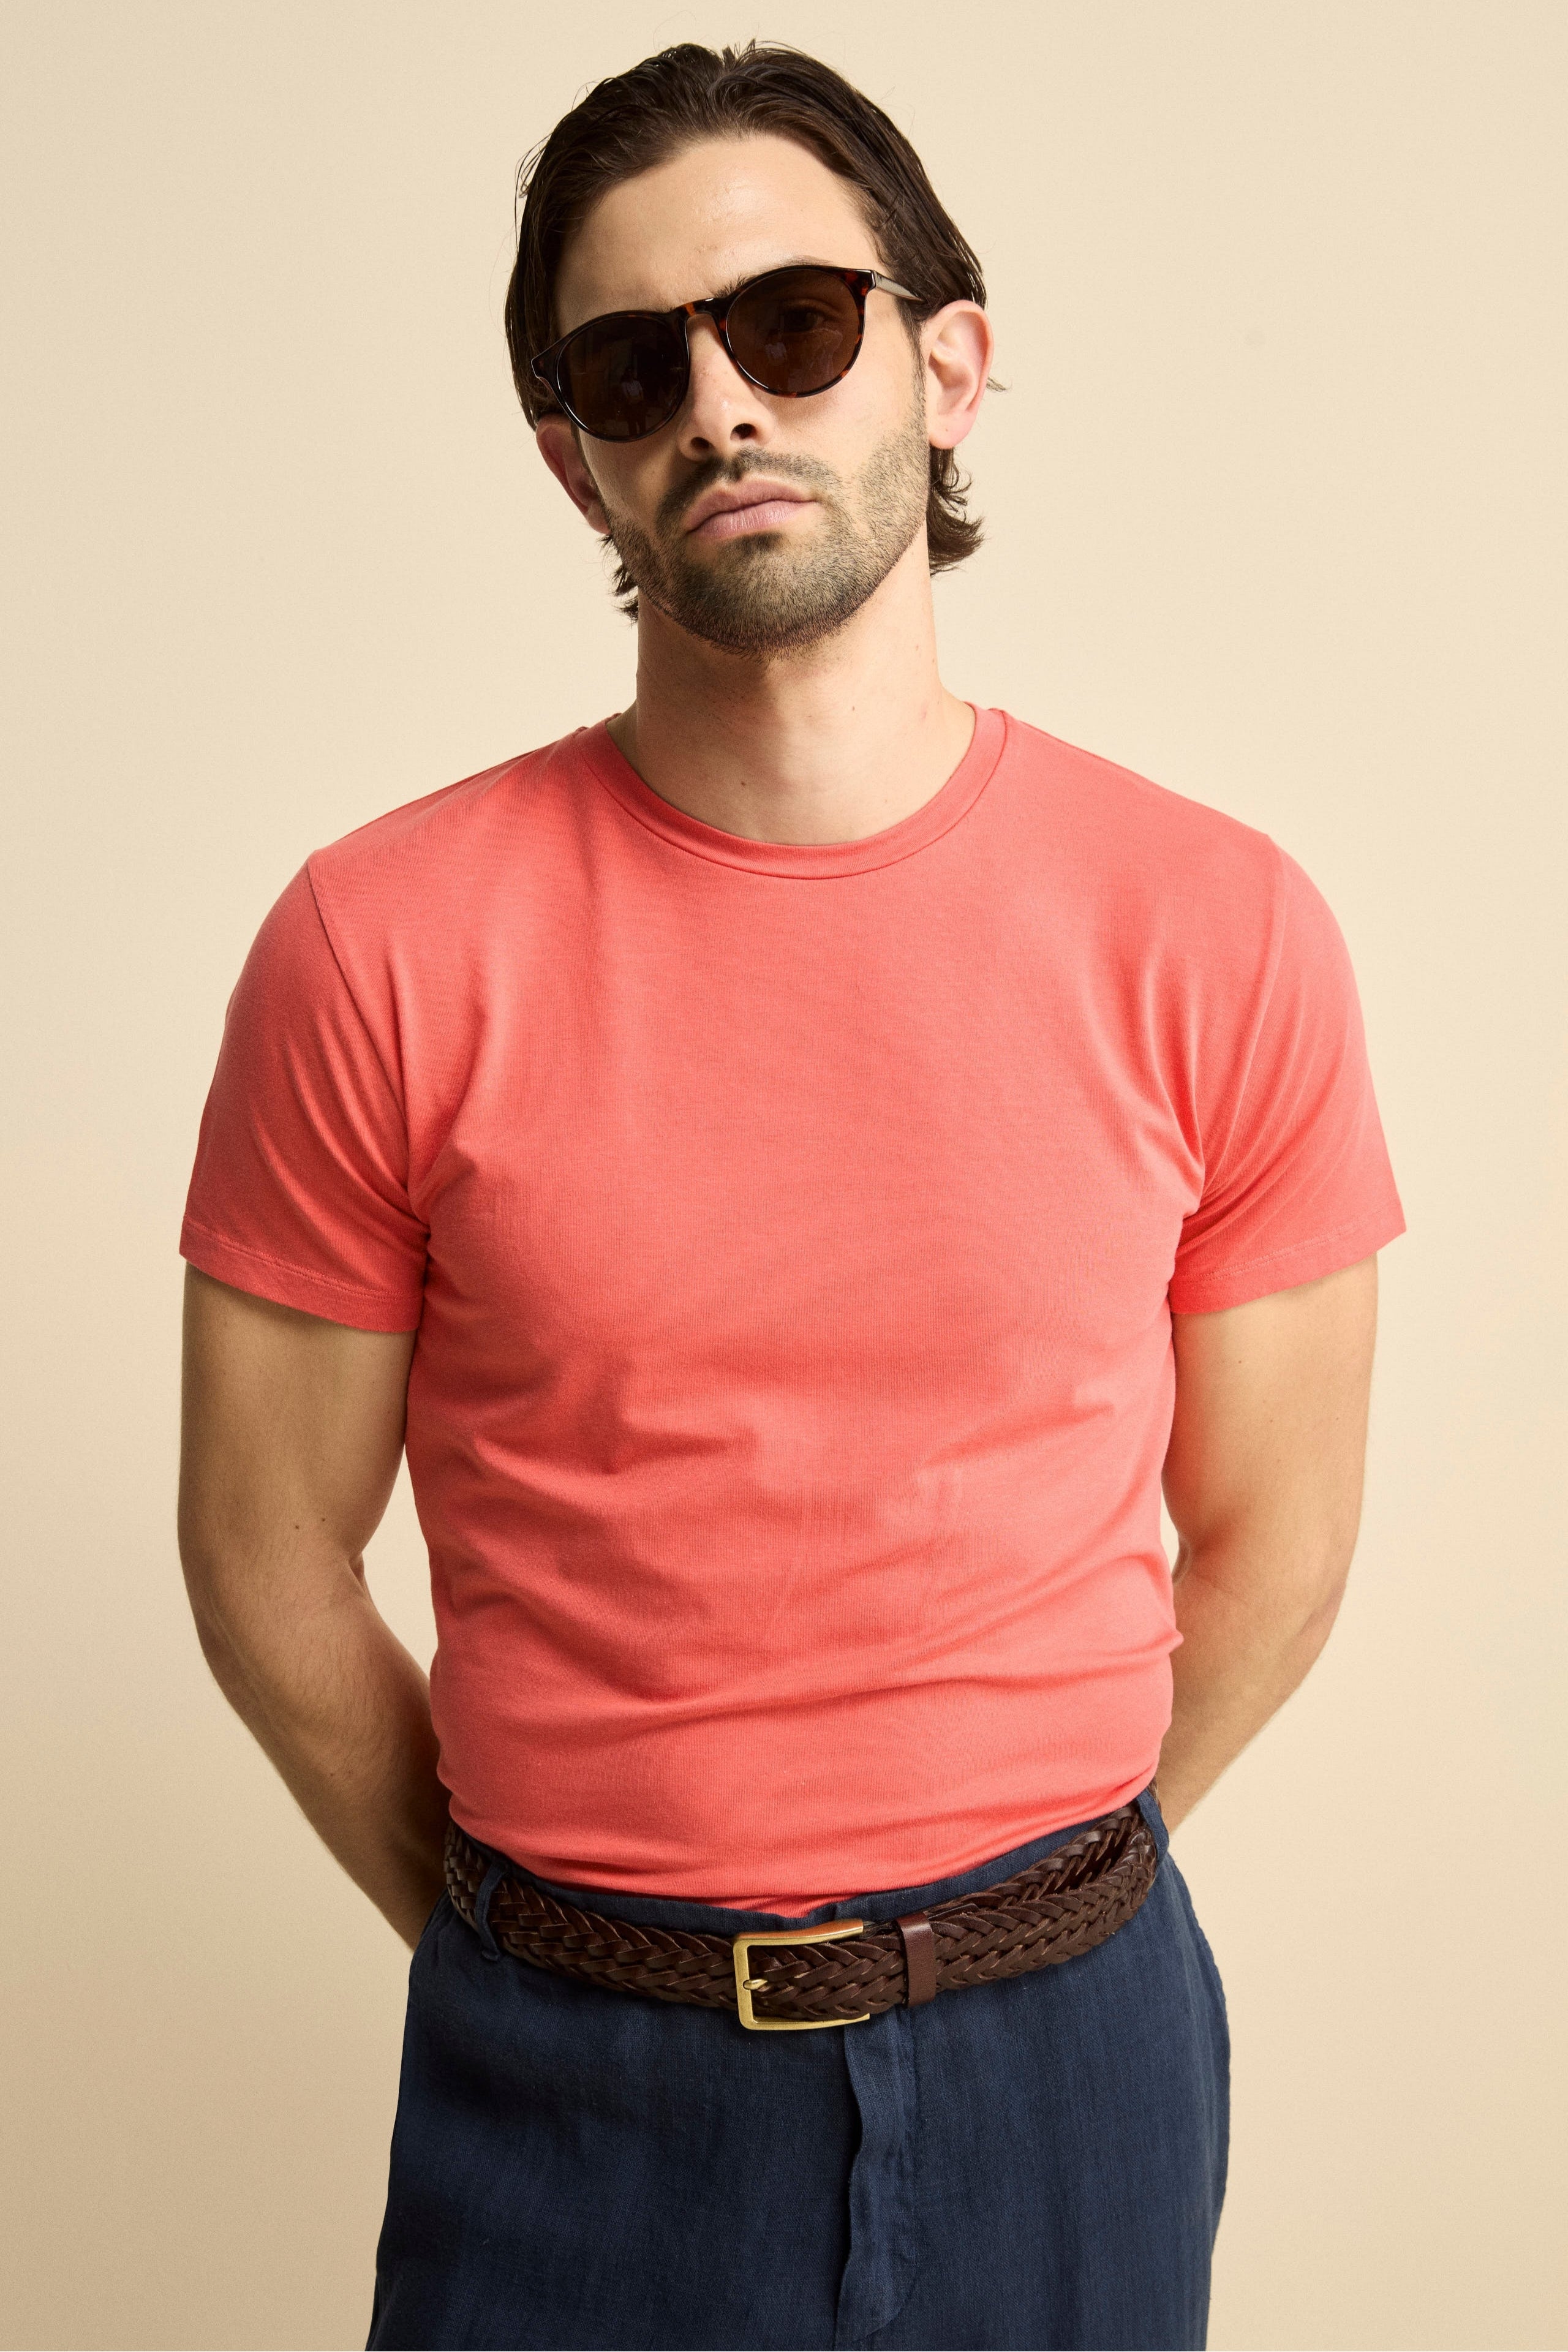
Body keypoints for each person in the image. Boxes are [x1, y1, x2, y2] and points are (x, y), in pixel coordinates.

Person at [176, 39, 1406, 2352]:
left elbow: (1282, 1538)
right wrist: (557, 1944)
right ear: (575, 457)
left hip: (1073, 2065)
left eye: (795, 324)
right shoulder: (378, 946)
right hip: (567, 2073)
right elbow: (261, 1556)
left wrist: (1021, 1913)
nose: (722, 405)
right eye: (634, 369)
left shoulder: (1217, 929)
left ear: (949, 366)